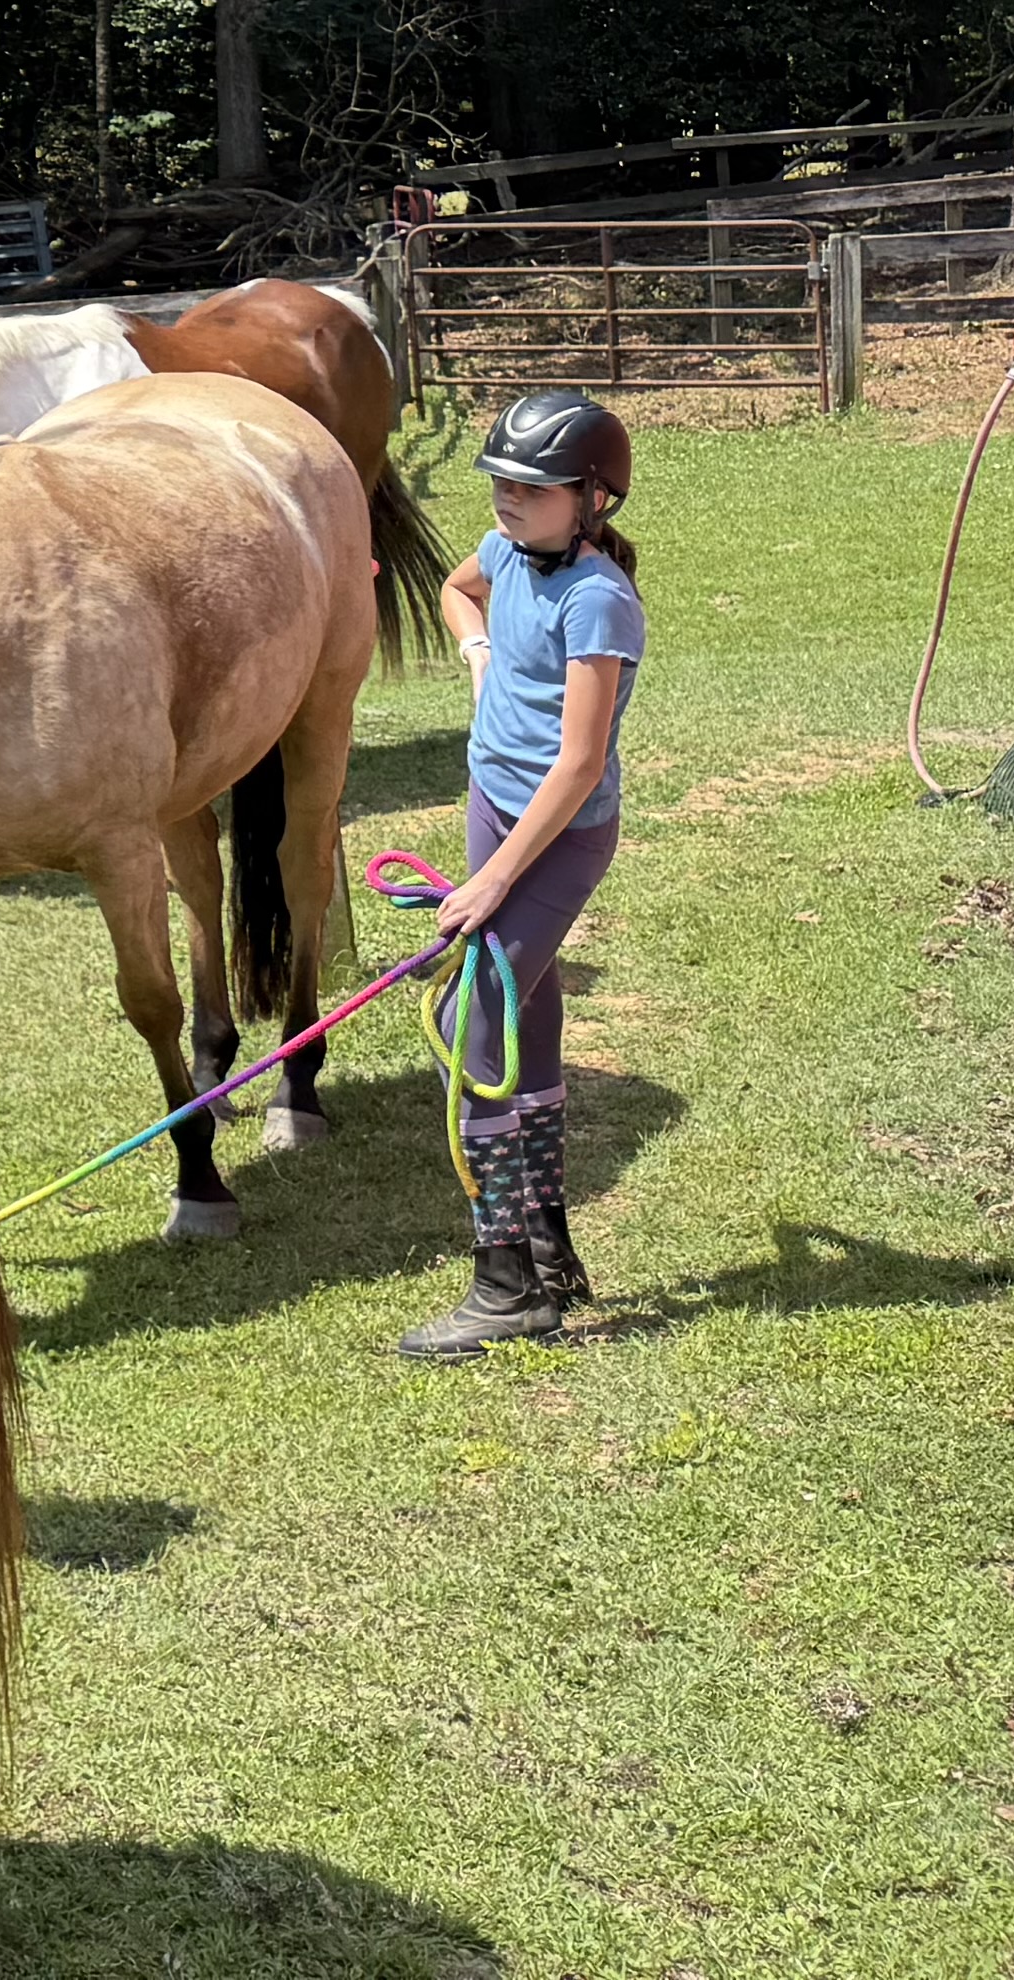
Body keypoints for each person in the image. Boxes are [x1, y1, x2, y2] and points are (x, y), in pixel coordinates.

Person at [401, 385, 647, 1359]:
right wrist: (477, 654)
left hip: (557, 836)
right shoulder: (506, 552)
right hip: (493, 804)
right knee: (526, 1012)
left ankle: (504, 1281)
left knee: (469, 1029)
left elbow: (580, 763)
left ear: (592, 498)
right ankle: (549, 1247)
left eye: (532, 485)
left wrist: (494, 880)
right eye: (500, 478)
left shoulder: (599, 601)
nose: (507, 496)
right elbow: (461, 588)